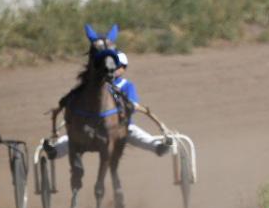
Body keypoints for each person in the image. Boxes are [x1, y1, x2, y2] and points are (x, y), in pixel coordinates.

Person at [44, 51, 173, 159]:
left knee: (135, 133)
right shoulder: (94, 87)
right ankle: (54, 151)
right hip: (90, 126)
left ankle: (157, 147)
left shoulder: (126, 86)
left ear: (124, 68)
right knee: (73, 137)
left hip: (118, 126)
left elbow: (132, 106)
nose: (113, 68)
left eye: (118, 66)